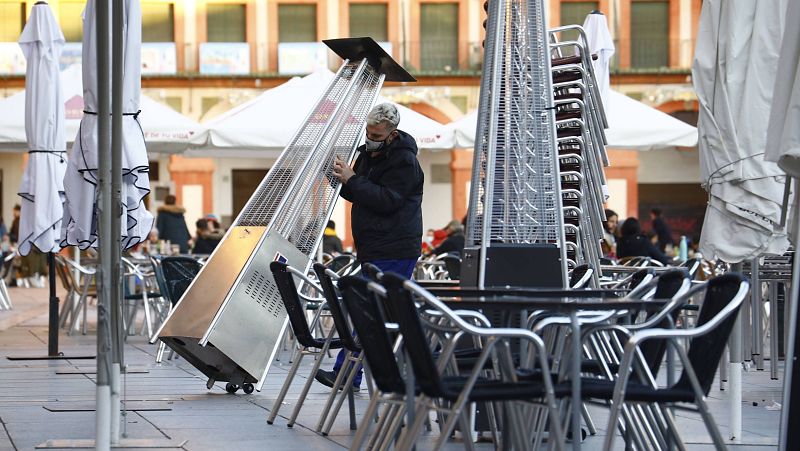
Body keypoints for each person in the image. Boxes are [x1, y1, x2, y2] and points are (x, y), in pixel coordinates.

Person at [316, 103, 424, 392]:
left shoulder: (404, 161)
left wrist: (352, 178)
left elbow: (388, 200)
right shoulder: (370, 153)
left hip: (395, 247)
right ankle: (353, 373)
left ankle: (350, 372)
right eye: (368, 131)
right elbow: (357, 190)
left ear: (391, 133)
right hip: (375, 246)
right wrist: (336, 174)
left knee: (373, 310)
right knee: (373, 310)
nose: (370, 137)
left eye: (375, 133)